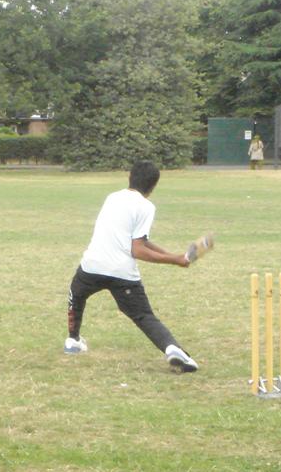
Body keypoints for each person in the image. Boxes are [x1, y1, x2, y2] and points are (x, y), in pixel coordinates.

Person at [65, 160, 199, 373]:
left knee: (76, 294)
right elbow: (138, 250)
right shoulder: (146, 207)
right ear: (153, 186)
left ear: (130, 177)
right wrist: (175, 261)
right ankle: (173, 349)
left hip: (92, 266)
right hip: (122, 273)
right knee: (143, 316)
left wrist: (175, 256)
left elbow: (141, 242)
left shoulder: (112, 197)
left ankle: (73, 340)